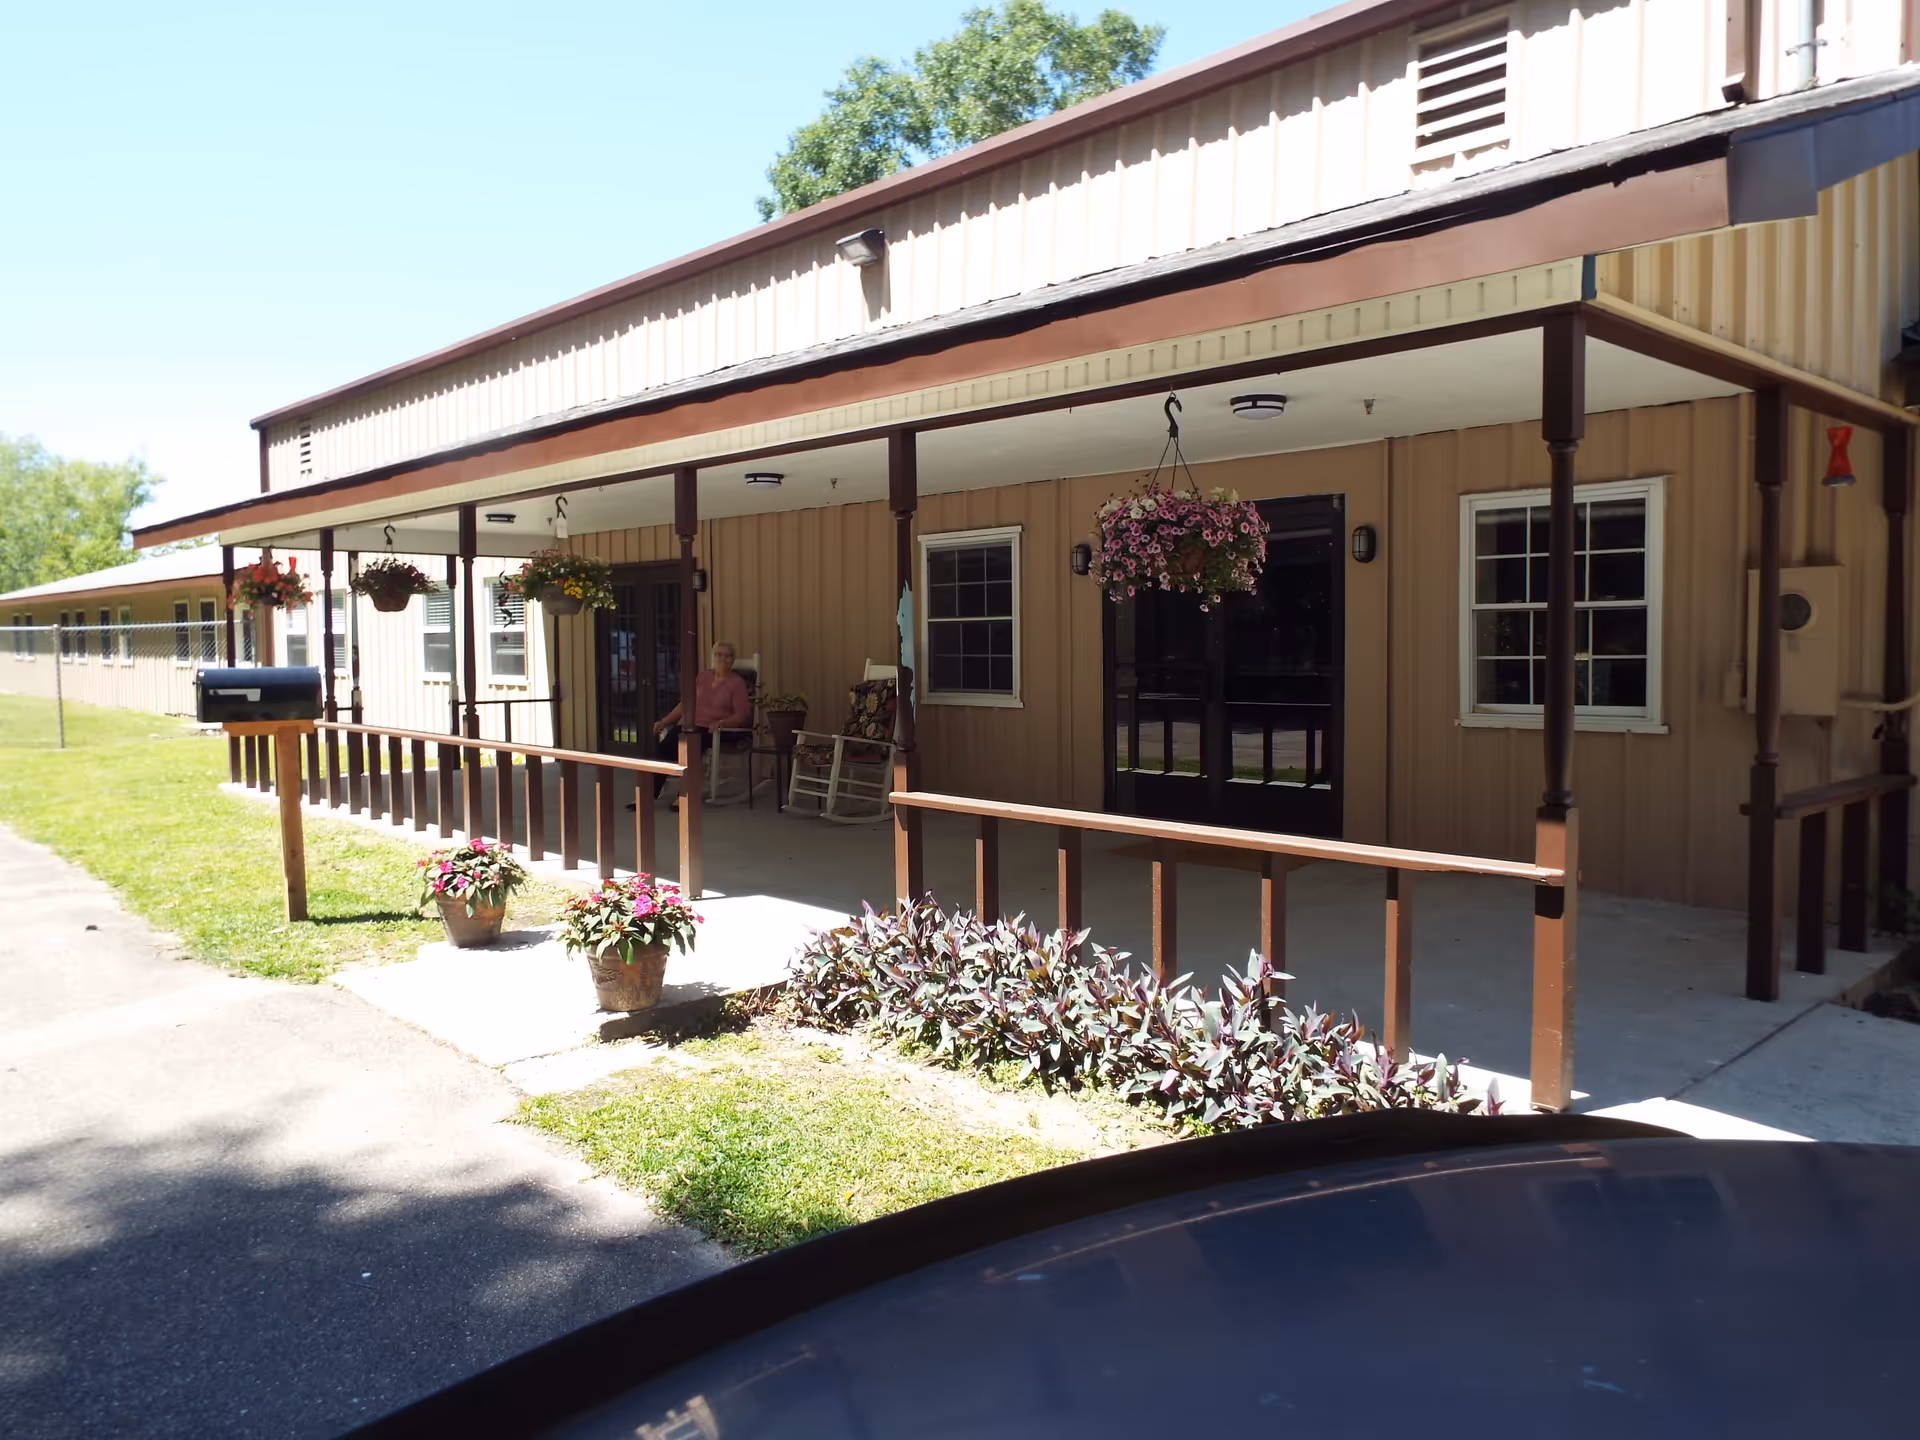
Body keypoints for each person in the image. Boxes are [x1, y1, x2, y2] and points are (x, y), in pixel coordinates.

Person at [651, 642, 752, 799]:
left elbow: (742, 715)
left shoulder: (737, 683)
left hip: (714, 729)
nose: (722, 658)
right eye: (718, 654)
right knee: (664, 748)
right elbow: (685, 704)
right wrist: (664, 721)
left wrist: (723, 723)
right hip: (688, 725)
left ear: (732, 660)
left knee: (692, 747)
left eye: (727, 655)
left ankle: (685, 794)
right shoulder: (703, 676)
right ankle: (650, 793)